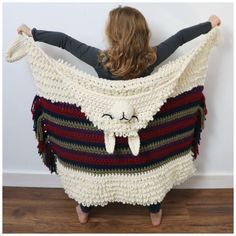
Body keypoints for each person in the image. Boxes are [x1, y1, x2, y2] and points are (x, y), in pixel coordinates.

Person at [16, 6, 221, 227]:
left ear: (112, 33)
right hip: (142, 131)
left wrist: (33, 33)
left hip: (103, 132)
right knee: (146, 169)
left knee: (97, 170)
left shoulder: (100, 59)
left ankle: (84, 209)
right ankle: (154, 210)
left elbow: (65, 42)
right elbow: (180, 38)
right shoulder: (151, 57)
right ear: (143, 33)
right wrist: (209, 24)